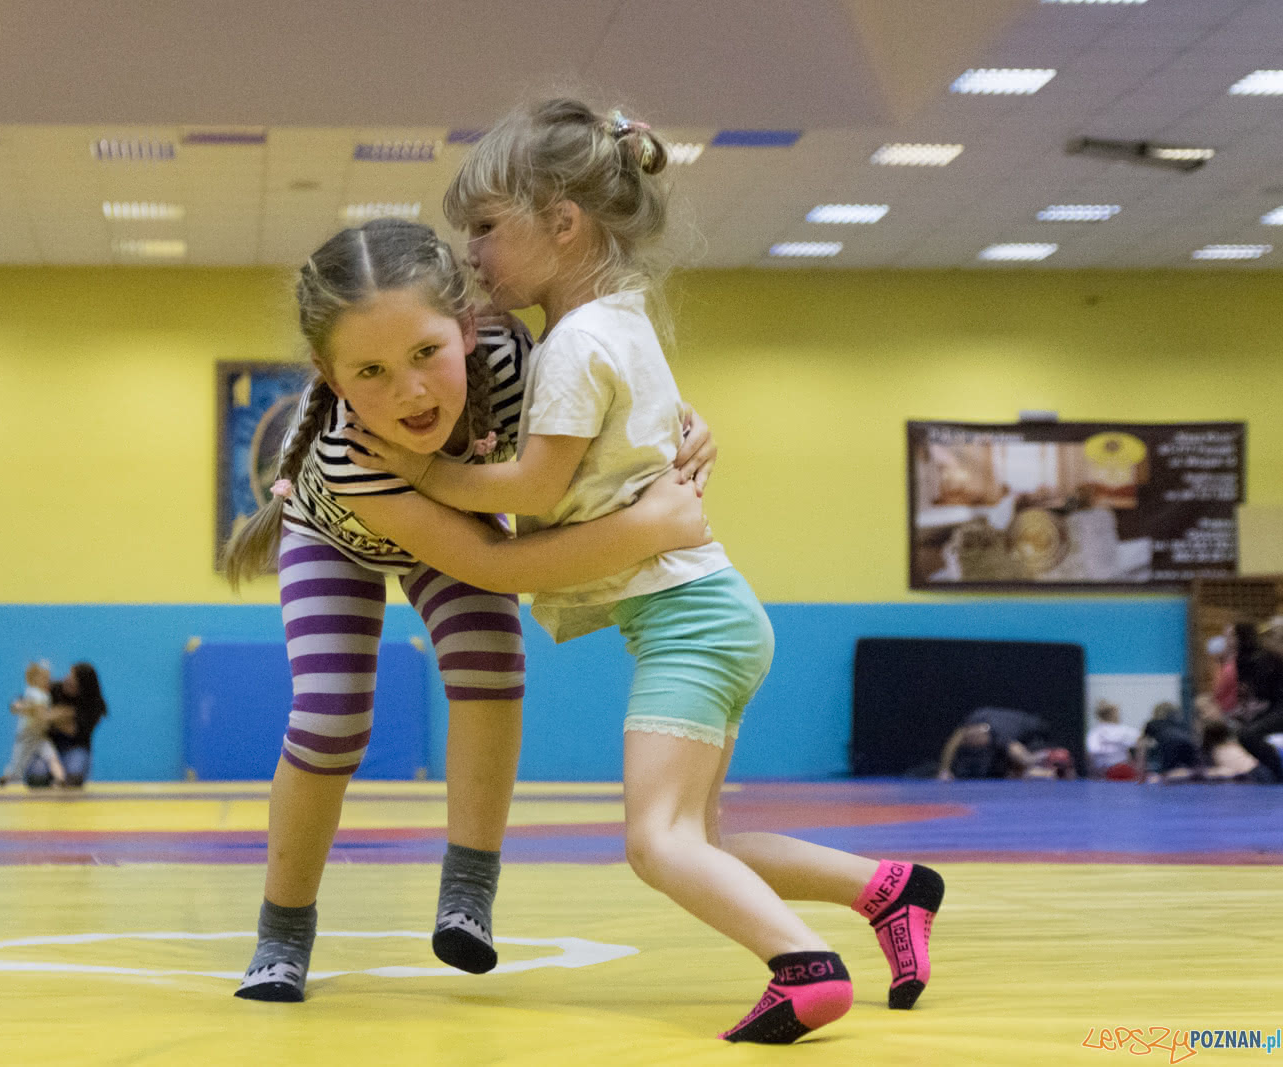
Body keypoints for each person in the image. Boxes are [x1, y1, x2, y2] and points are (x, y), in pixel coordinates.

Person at [342, 99, 941, 1044]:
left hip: (688, 617)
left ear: (563, 222)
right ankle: (889, 889)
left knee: (656, 842)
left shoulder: (576, 344)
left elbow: (537, 487)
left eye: (486, 228)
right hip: (708, 611)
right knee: (696, 840)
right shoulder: (619, 322)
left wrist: (425, 473)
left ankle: (804, 967)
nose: (473, 254)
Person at [217, 217, 716, 1003]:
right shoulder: (347, 454)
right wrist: (650, 527)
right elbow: (492, 564)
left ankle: (468, 891)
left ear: (468, 327)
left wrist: (685, 426)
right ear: (330, 375)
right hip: (334, 535)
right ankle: (282, 933)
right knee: (329, 719)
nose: (411, 391)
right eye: (371, 371)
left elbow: (609, 420)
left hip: (452, 519)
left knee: (490, 665)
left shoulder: (516, 363)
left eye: (426, 353)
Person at [24, 662, 107, 788]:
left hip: (75, 747)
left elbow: (74, 730)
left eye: (73, 678)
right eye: (69, 675)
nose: (67, 679)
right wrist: (64, 714)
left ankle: (60, 778)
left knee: (74, 775)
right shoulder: (54, 689)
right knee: (37, 776)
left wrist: (48, 716)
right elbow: (28, 703)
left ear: (83, 686)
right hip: (48, 745)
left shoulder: (94, 704)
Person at [937, 706, 1073, 780]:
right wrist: (945, 769)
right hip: (1012, 735)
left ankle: (1050, 768)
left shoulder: (1004, 733)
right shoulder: (973, 720)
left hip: (1036, 734)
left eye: (974, 743)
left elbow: (1019, 753)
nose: (972, 746)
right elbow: (953, 743)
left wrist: (1033, 760)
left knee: (1025, 764)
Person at [0, 660, 67, 787]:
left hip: (41, 736)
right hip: (27, 736)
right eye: (43, 677)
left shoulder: (46, 694)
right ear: (33, 679)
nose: (47, 680)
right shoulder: (33, 692)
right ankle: (7, 777)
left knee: (52, 757)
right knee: (18, 763)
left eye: (48, 677)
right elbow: (33, 708)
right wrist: (29, 709)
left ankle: (60, 779)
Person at [1230, 621, 1283, 782]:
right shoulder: (1264, 660)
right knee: (1245, 733)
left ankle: (1278, 770)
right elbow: (1262, 693)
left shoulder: (1269, 659)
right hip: (1276, 707)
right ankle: (1276, 769)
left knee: (1248, 734)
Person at [1085, 700, 1139, 779]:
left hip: (1115, 768)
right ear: (1112, 714)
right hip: (1109, 769)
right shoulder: (1123, 730)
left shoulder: (1095, 732)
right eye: (1117, 713)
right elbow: (1093, 750)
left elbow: (1092, 751)